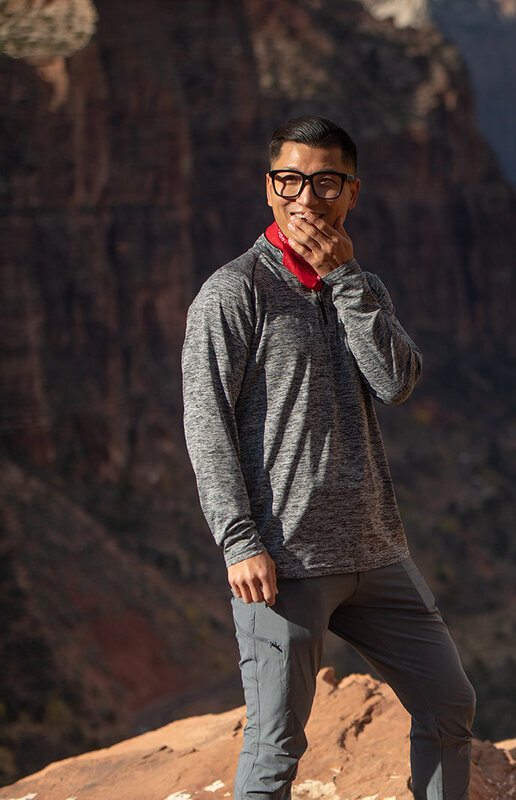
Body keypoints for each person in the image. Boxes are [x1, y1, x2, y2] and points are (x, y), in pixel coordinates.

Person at [182, 115, 475, 800]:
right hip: (284, 562)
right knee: (277, 743)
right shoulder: (233, 293)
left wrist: (344, 279)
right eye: (290, 180)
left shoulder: (362, 285)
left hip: (375, 550)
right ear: (269, 188)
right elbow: (207, 425)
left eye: (324, 182)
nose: (305, 199)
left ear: (352, 192)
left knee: (448, 703)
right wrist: (238, 541)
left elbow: (396, 382)